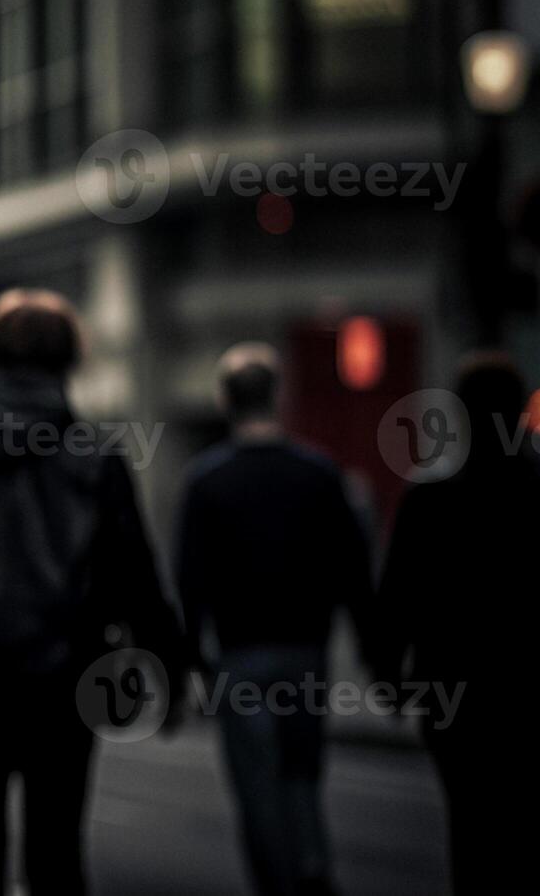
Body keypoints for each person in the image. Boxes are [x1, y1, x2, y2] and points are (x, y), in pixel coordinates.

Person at [0, 289, 188, 896]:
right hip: (66, 683)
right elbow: (133, 574)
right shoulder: (94, 455)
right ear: (70, 357)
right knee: (56, 855)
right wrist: (171, 671)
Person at [374, 355, 540, 896]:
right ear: (519, 412)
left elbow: (395, 603)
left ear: (460, 414)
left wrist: (391, 681)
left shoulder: (429, 498)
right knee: (538, 841)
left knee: (473, 842)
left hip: (458, 702)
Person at [176, 343, 374, 896]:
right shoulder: (317, 473)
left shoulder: (206, 481)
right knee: (303, 774)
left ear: (225, 401)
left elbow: (191, 580)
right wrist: (371, 646)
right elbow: (352, 567)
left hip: (239, 656)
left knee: (256, 786)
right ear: (278, 397)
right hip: (306, 651)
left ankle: (279, 883)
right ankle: (312, 865)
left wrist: (189, 660)